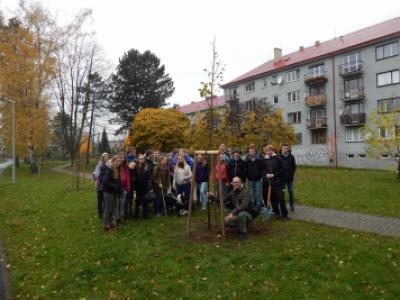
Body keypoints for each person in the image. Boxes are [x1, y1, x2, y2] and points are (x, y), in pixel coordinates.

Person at [209, 177, 256, 241]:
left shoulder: (245, 193)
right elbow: (223, 200)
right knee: (226, 221)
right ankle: (241, 226)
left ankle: (243, 233)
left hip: (248, 214)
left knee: (241, 214)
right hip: (237, 214)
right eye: (234, 182)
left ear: (241, 183)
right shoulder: (232, 193)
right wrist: (212, 196)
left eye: (237, 182)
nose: (235, 184)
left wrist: (232, 213)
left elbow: (243, 206)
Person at [263, 145, 288, 219]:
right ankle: (276, 213)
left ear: (272, 150)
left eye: (269, 150)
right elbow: (263, 170)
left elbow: (283, 169)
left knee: (281, 198)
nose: (268, 152)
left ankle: (284, 215)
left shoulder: (278, 158)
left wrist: (274, 175)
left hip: (278, 182)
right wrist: (266, 174)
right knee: (273, 199)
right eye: (266, 151)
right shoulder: (265, 159)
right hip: (270, 183)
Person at [102, 155, 122, 232]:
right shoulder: (109, 169)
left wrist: (118, 186)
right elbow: (105, 182)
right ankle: (106, 226)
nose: (118, 163)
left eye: (119, 161)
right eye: (116, 161)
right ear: (113, 161)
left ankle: (110, 223)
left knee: (112, 209)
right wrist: (115, 186)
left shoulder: (116, 169)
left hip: (113, 192)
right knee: (108, 209)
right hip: (108, 192)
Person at [280, 144, 297, 213]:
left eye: (286, 148)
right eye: (284, 148)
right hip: (282, 179)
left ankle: (292, 206)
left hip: (290, 178)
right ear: (282, 149)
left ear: (288, 149)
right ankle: (283, 207)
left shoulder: (291, 157)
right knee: (282, 193)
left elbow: (294, 166)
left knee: (291, 192)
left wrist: (292, 174)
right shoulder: (279, 157)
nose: (285, 150)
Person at [134, 154, 152, 218]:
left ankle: (145, 214)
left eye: (142, 159)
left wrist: (149, 185)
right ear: (138, 159)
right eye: (140, 159)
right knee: (137, 201)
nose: (141, 160)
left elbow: (149, 177)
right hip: (138, 186)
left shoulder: (147, 166)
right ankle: (136, 214)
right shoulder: (136, 166)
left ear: (144, 160)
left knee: (145, 200)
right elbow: (134, 176)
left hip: (145, 186)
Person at [93, 152, 109, 219]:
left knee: (105, 199)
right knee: (100, 199)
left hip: (107, 185)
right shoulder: (99, 165)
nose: (106, 158)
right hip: (100, 185)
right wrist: (96, 182)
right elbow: (96, 175)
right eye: (105, 156)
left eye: (107, 156)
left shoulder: (109, 164)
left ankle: (105, 211)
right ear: (102, 157)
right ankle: (100, 213)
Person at [119, 153, 132, 219]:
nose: (122, 159)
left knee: (125, 201)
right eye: (121, 157)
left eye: (123, 157)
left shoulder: (126, 166)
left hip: (126, 186)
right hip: (119, 186)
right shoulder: (118, 165)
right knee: (121, 202)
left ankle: (124, 214)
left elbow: (128, 177)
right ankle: (120, 215)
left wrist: (128, 186)